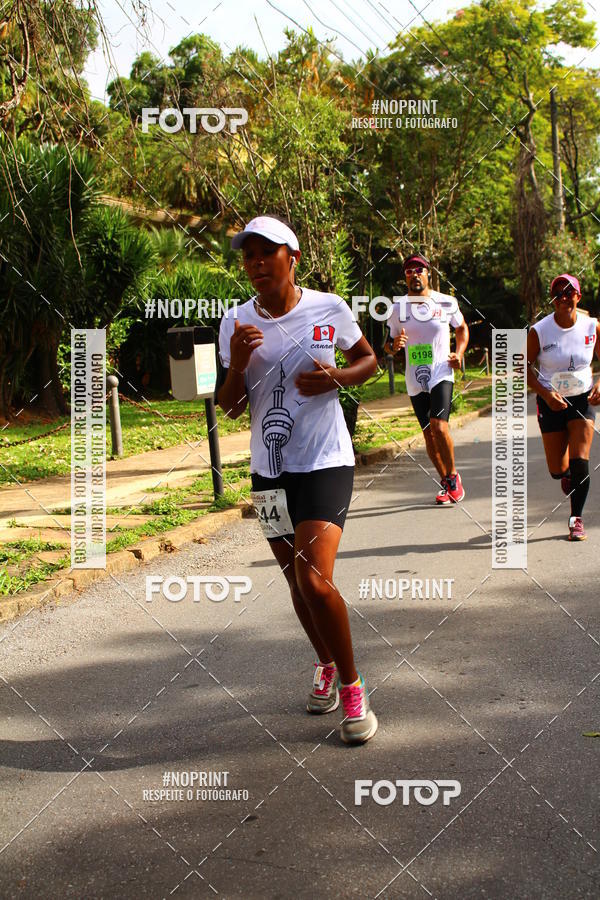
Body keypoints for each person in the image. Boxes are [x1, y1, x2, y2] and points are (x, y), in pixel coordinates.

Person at [215, 214, 379, 744]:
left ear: (293, 258)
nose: (256, 263)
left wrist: (339, 377)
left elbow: (368, 360)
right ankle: (325, 664)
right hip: (268, 471)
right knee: (295, 583)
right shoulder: (235, 321)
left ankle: (354, 690)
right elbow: (230, 406)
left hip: (327, 458)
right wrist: (237, 363)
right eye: (248, 255)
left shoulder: (328, 308)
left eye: (267, 253)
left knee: (313, 578)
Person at [384, 253, 470, 504]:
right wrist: (394, 346)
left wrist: (460, 354)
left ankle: (453, 476)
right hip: (414, 377)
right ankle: (445, 481)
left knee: (439, 426)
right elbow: (387, 345)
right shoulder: (398, 309)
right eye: (410, 271)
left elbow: (462, 328)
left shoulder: (445, 302)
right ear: (405, 277)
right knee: (427, 433)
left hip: (441, 371)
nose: (415, 274)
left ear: (427, 273)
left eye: (419, 269)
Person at [527, 273, 600, 541]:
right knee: (558, 470)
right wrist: (545, 395)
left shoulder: (592, 326)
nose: (564, 298)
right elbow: (523, 368)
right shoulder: (540, 330)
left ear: (578, 296)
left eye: (569, 293)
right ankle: (566, 474)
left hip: (582, 399)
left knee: (581, 461)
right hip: (552, 403)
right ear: (553, 300)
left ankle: (576, 520)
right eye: (558, 294)